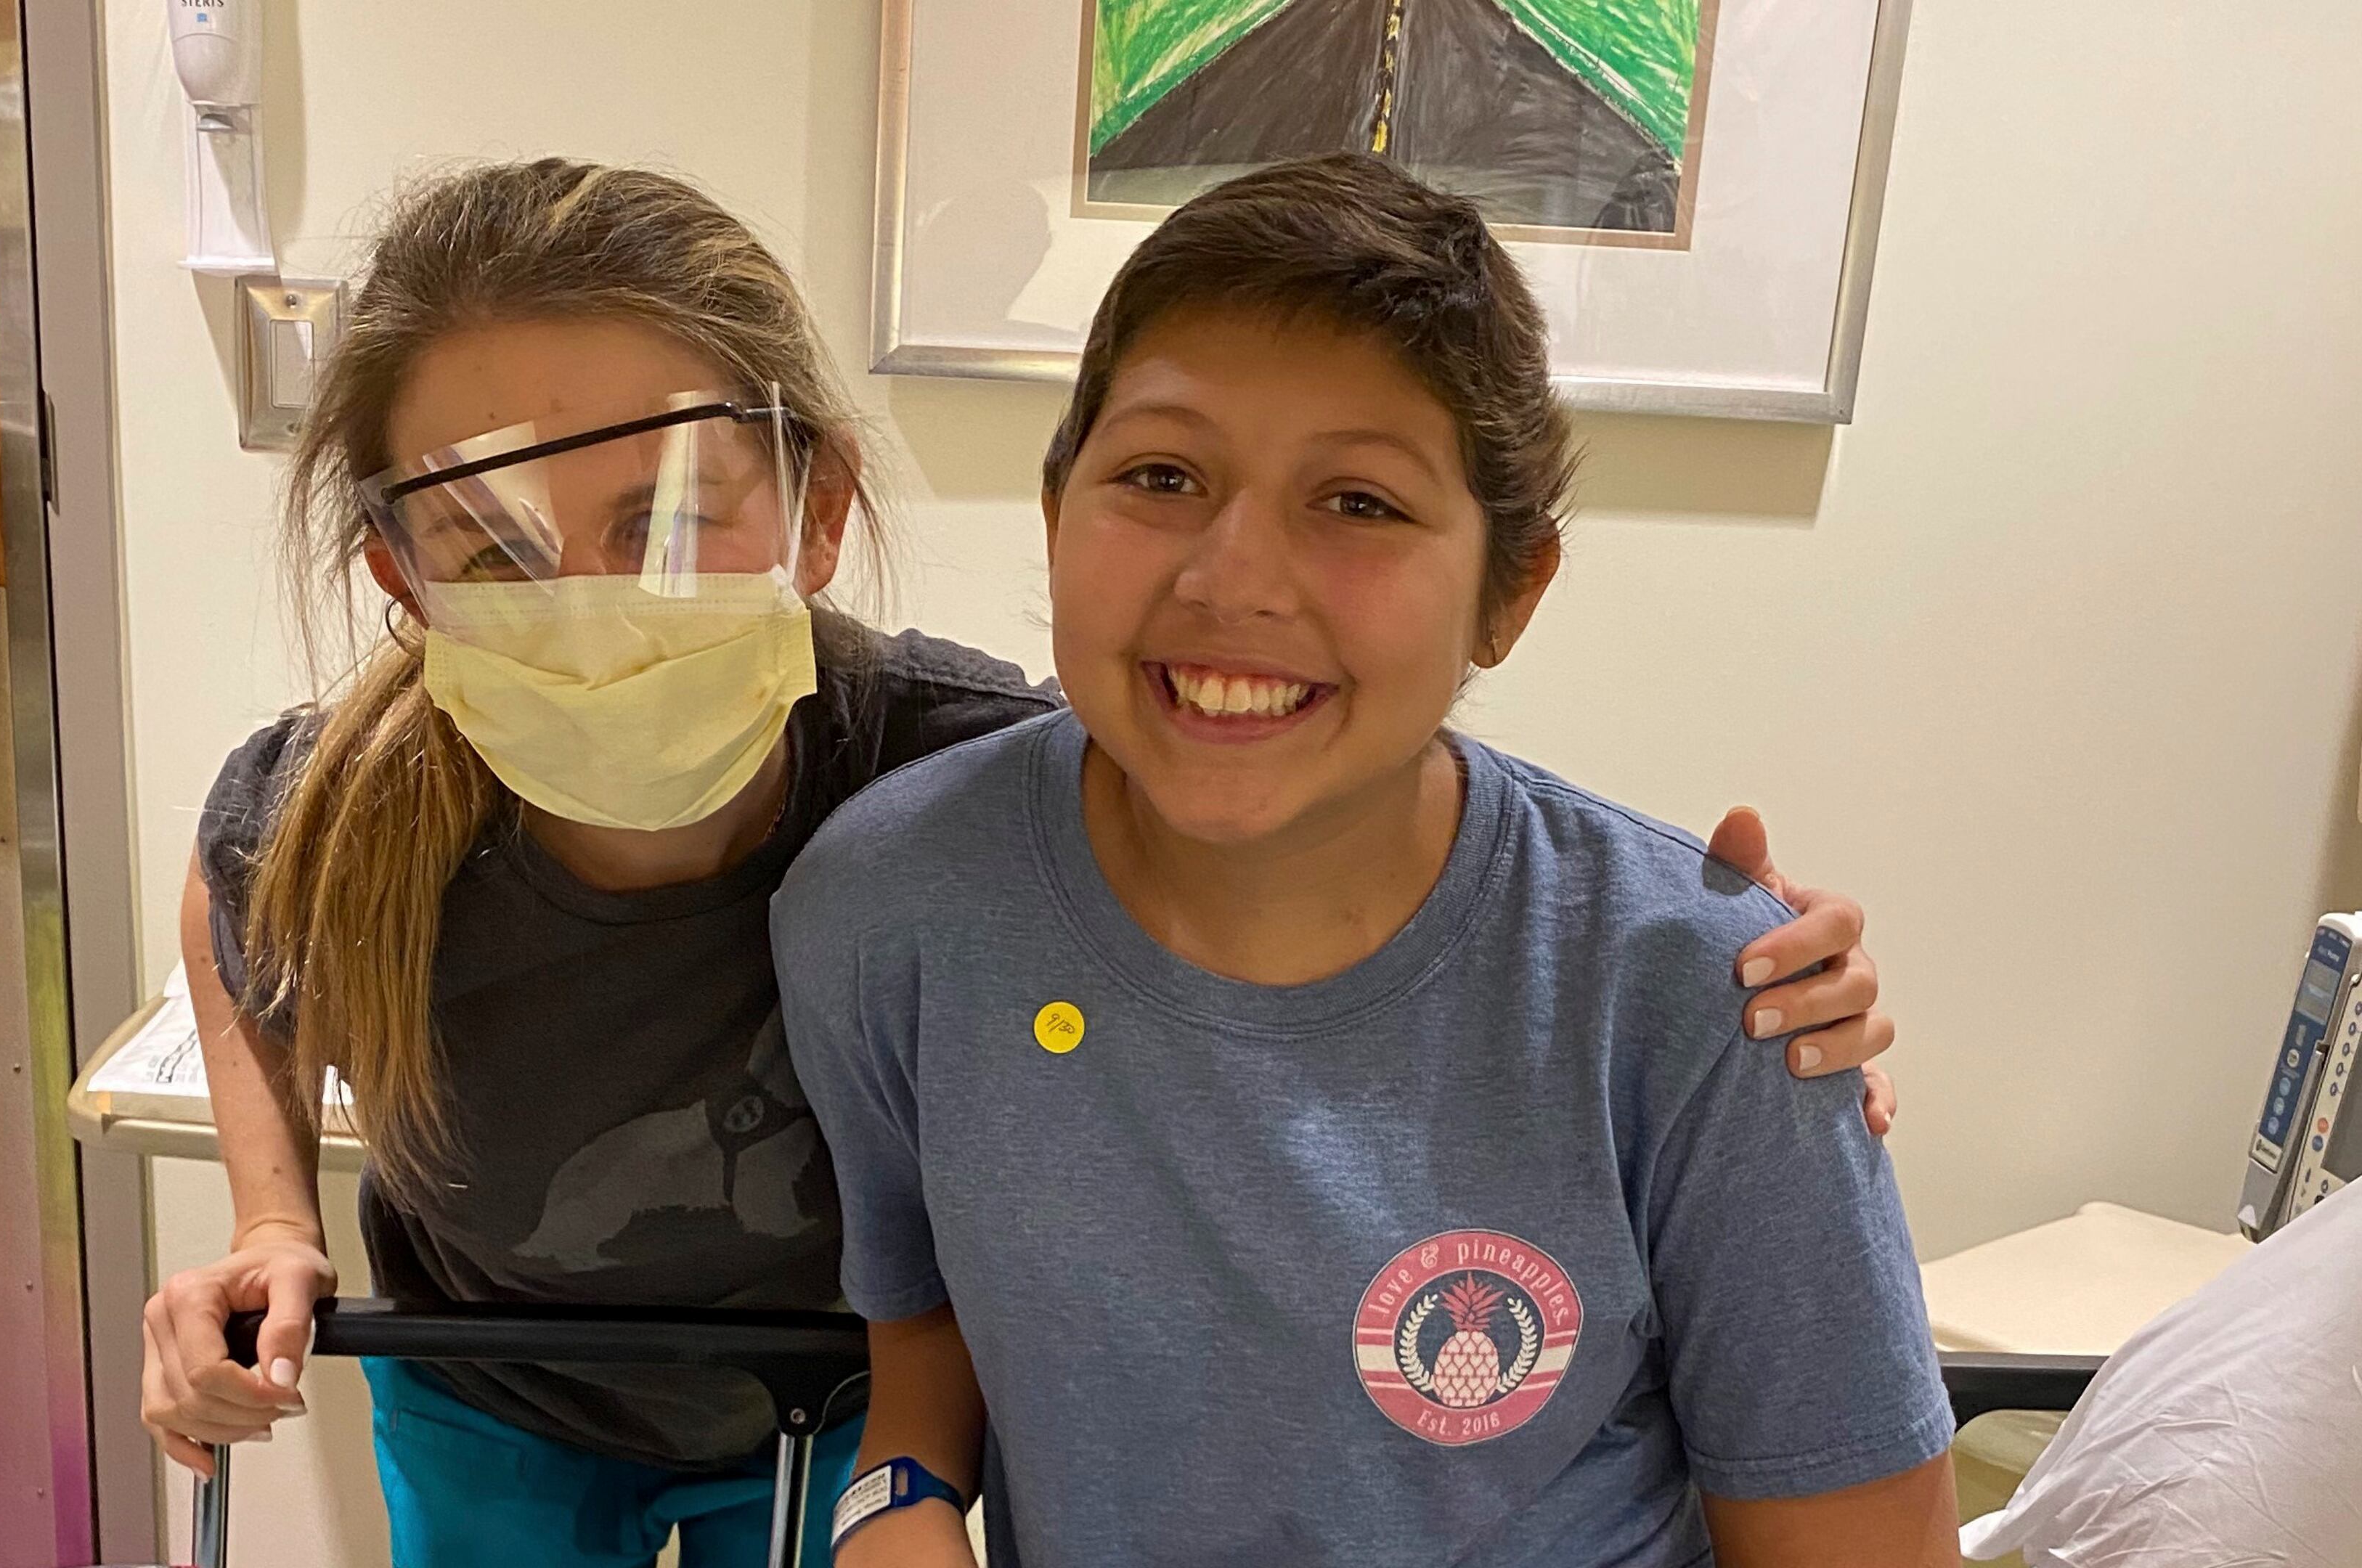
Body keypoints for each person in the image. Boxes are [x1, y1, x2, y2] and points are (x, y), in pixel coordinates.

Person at [139, 159, 1906, 1568]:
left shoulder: (948, 775)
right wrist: (274, 1215)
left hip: (800, 1406)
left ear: (818, 506)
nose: (1237, 581)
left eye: (672, 517)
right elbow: (238, 902)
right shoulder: (399, 808)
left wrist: (1718, 997)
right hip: (494, 1389)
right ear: (397, 576)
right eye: (493, 547)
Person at [775, 155, 1958, 1568]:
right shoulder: (885, 909)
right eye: (1162, 474)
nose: (1233, 577)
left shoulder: (1718, 997)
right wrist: (894, 1511)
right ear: (1054, 507)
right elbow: (925, 1346)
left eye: (1360, 503)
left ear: (1508, 592)